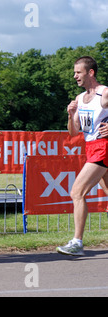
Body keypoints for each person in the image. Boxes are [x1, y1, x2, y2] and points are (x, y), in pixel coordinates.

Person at [57, 56, 108, 256]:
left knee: (77, 192)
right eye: (75, 72)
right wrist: (70, 115)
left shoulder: (104, 93)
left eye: (78, 72)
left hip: (103, 147)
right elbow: (73, 132)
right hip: (90, 147)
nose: (75, 76)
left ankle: (77, 242)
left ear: (91, 73)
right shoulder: (79, 98)